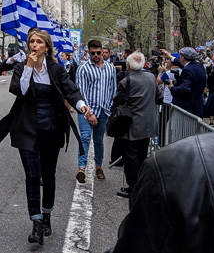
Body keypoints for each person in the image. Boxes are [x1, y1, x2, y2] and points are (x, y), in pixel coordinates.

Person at [0, 27, 91, 246]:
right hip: (27, 128)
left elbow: (71, 90)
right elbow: (19, 90)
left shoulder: (55, 69)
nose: (34, 45)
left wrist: (82, 107)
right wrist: (28, 68)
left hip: (51, 128)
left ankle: (47, 215)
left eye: (38, 42)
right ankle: (36, 223)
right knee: (32, 176)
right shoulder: (21, 68)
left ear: (47, 46)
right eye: (31, 42)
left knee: (48, 174)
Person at [108, 133, 214, 253]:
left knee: (133, 156)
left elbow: (139, 242)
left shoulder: (173, 163)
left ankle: (132, 185)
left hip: (138, 135)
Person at [112, 51, 163, 199]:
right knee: (141, 156)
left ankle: (133, 187)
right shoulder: (151, 78)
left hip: (131, 125)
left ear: (127, 65)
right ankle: (141, 185)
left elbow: (117, 101)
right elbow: (159, 98)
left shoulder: (126, 82)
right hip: (148, 125)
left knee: (131, 158)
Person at [74, 39, 117, 183]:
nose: (96, 55)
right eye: (93, 53)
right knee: (85, 138)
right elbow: (81, 91)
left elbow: (113, 89)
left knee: (99, 140)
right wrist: (89, 112)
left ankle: (99, 167)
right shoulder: (83, 68)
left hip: (104, 110)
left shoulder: (110, 68)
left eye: (99, 52)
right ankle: (82, 168)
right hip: (87, 110)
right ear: (88, 52)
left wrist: (111, 108)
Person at [167, 47, 207, 117]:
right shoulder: (199, 66)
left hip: (187, 109)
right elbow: (184, 64)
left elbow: (185, 89)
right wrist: (171, 57)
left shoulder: (187, 70)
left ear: (182, 57)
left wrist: (172, 87)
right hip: (197, 106)